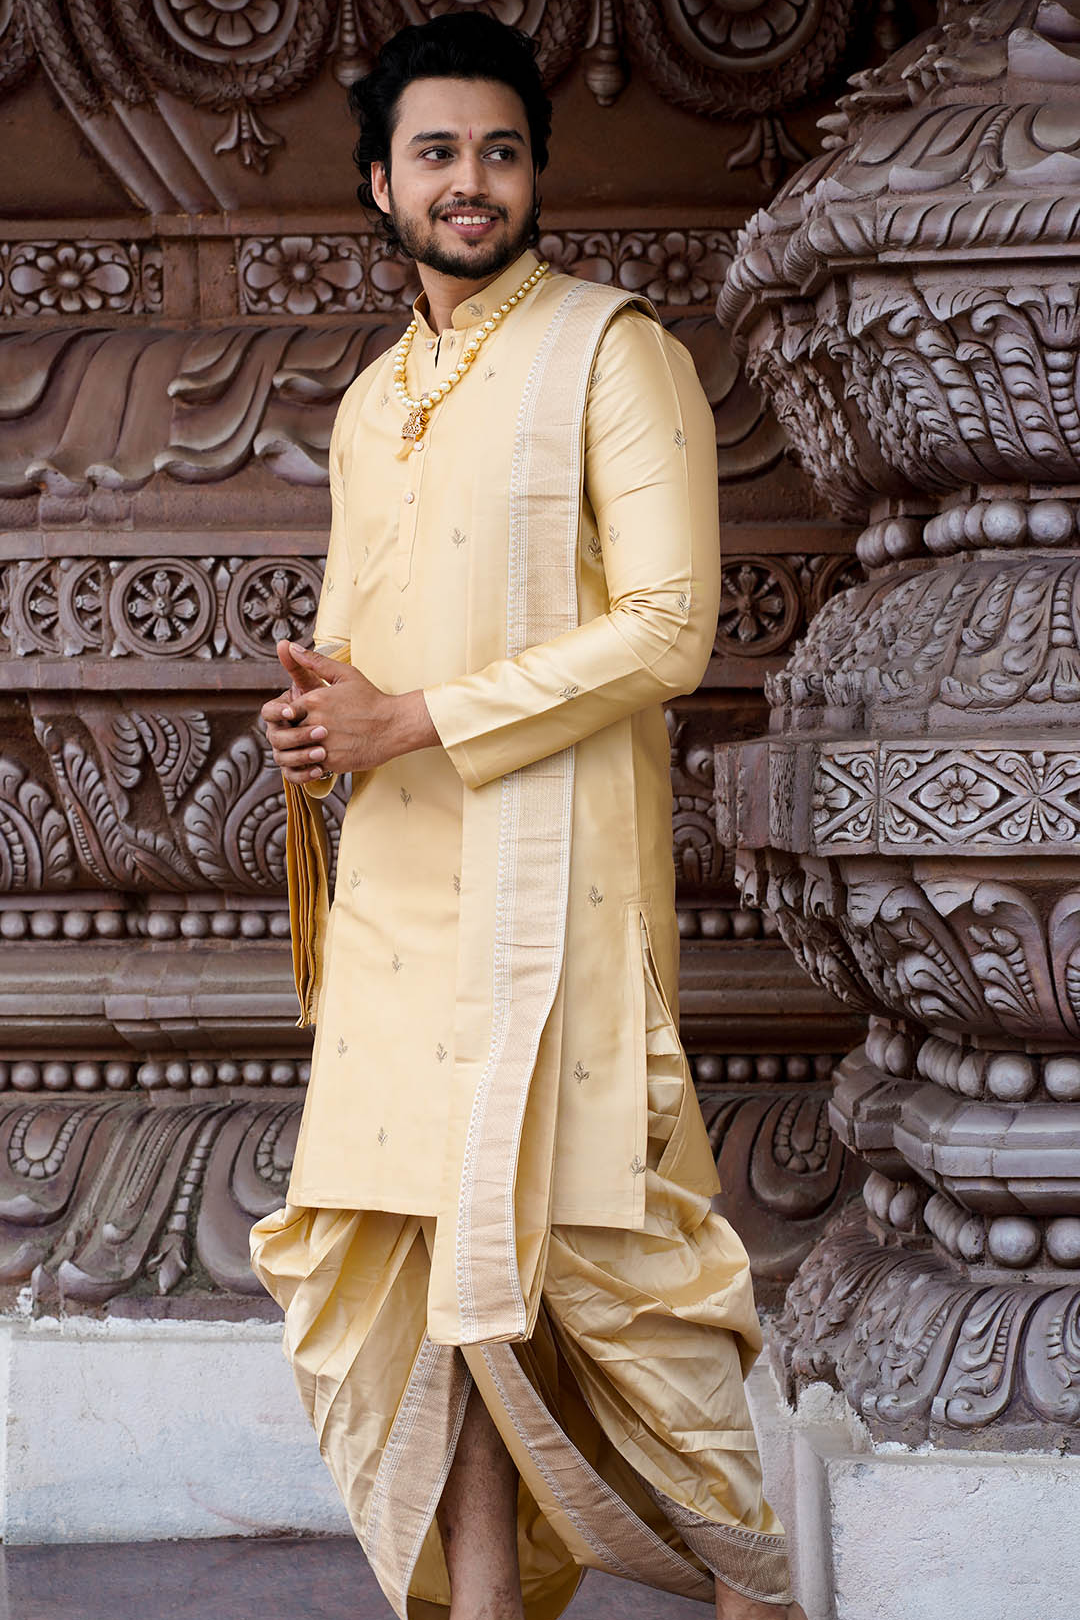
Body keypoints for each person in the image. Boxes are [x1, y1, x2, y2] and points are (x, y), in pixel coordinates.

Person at [250, 14, 807, 1620]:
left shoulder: (609, 351)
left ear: (533, 171)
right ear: (380, 181)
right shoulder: (372, 403)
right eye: (437, 153)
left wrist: (411, 718)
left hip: (551, 896)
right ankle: (483, 1608)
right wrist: (320, 719)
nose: (472, 182)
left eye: (500, 150)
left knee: (614, 1271)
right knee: (434, 1273)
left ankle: (757, 1596)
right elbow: (363, 647)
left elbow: (669, 630)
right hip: (403, 895)